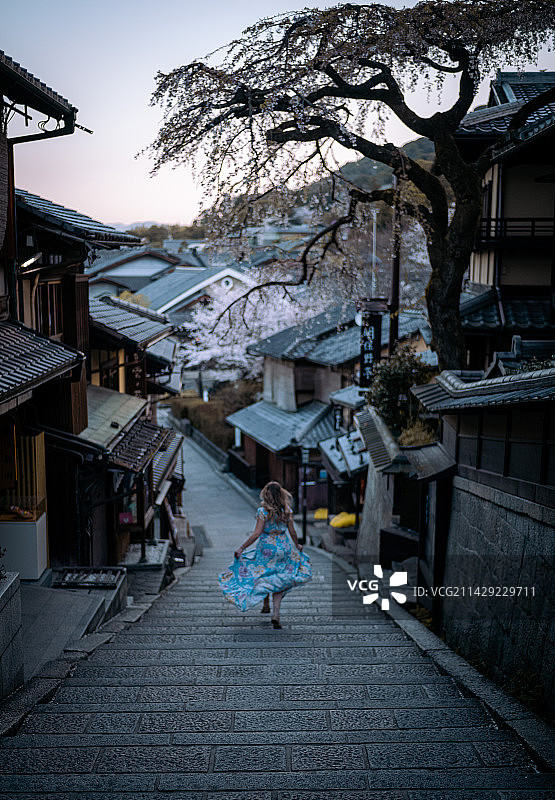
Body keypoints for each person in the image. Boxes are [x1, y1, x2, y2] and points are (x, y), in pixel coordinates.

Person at [218, 481, 312, 628]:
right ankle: (274, 613)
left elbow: (257, 533)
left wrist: (242, 548)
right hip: (283, 547)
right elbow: (292, 531)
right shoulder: (286, 510)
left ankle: (266, 604)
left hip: (266, 547)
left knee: (263, 573)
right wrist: (297, 544)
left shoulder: (263, 511)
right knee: (278, 579)